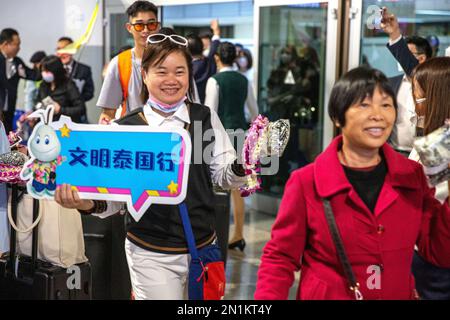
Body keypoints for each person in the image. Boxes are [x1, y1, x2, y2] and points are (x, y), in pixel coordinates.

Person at [54, 32, 251, 300]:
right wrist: (84, 203)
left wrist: (244, 163)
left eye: (179, 71)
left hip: (203, 247)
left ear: (189, 76)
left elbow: (222, 176)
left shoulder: (203, 117)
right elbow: (112, 201)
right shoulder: (125, 129)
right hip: (150, 252)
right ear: (145, 75)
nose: (171, 80)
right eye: (161, 71)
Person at [254, 66, 450, 300]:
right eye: (364, 105)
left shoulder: (411, 176)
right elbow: (280, 258)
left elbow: (439, 251)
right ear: (338, 116)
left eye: (386, 105)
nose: (377, 115)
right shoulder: (306, 182)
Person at [204, 41, 258, 252]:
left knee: (217, 187)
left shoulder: (214, 81)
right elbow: (254, 111)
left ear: (217, 58)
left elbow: (209, 112)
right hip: (241, 135)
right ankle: (238, 234)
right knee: (239, 187)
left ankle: (217, 233)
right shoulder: (244, 80)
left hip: (220, 138)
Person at [97, 1, 160, 123]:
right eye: (139, 25)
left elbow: (192, 106)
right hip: (132, 134)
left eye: (151, 24)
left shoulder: (171, 60)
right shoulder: (119, 63)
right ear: (129, 28)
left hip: (169, 134)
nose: (145, 30)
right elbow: (108, 113)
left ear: (157, 26)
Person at [386, 35, 432, 156]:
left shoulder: (434, 85)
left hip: (421, 156)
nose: (401, 59)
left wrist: (394, 34)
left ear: (421, 58)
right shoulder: (390, 84)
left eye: (406, 55)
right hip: (392, 152)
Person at [0, 28, 39, 133]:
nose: (19, 48)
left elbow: (33, 75)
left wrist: (42, 67)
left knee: (8, 136)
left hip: (9, 108)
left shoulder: (17, 62)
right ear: (5, 44)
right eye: (16, 44)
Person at [37, 55, 86, 123]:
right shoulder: (43, 86)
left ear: (55, 70)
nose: (44, 74)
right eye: (43, 71)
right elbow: (38, 102)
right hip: (47, 126)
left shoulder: (69, 85)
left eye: (47, 71)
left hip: (65, 128)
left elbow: (81, 109)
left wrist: (60, 110)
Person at [187, 19, 221, 104]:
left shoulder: (186, 69)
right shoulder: (209, 61)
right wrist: (216, 32)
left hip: (192, 108)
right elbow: (214, 48)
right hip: (209, 105)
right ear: (202, 47)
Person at [56, 37, 95, 105]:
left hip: (78, 111)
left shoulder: (84, 69)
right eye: (59, 49)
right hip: (58, 111)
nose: (61, 53)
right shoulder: (53, 69)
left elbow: (89, 93)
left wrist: (75, 98)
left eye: (65, 49)